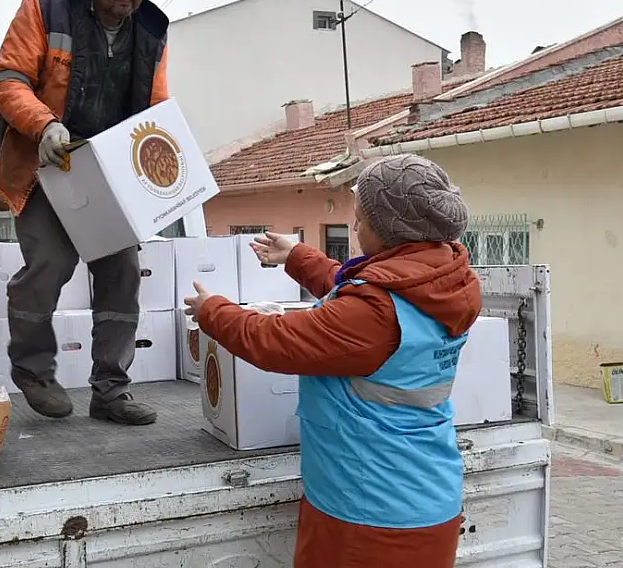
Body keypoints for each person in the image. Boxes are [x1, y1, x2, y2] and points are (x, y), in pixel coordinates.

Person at [184, 154, 481, 568]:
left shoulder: (374, 315)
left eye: (359, 220)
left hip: (370, 515)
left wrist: (211, 310)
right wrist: (297, 257)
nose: (355, 229)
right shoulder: (443, 282)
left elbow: (275, 341)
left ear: (389, 231)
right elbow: (366, 297)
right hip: (423, 498)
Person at [0, 0, 169, 425]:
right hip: (46, 162)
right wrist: (44, 124)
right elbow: (6, 79)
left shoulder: (151, 29)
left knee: (122, 272)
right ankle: (33, 371)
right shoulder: (46, 6)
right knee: (50, 262)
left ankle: (110, 389)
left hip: (109, 172)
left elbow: (155, 107)